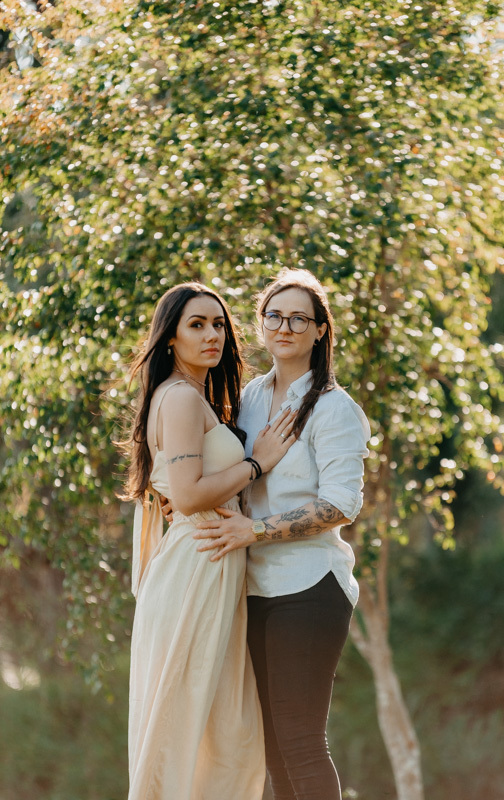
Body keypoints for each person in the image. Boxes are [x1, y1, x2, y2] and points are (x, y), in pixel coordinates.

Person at [193, 268, 371, 800]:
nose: (285, 326)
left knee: (300, 742)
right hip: (252, 589)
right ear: (261, 323)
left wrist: (256, 531)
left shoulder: (335, 409)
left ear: (320, 330)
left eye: (299, 318)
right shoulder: (248, 396)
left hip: (310, 586)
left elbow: (342, 504)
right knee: (269, 747)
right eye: (275, 315)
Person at [121, 282, 297, 800]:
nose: (212, 334)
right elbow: (188, 495)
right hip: (196, 566)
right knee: (188, 727)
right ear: (170, 338)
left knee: (227, 731)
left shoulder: (196, 398)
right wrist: (256, 462)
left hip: (214, 564)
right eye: (196, 325)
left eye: (218, 324)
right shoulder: (177, 398)